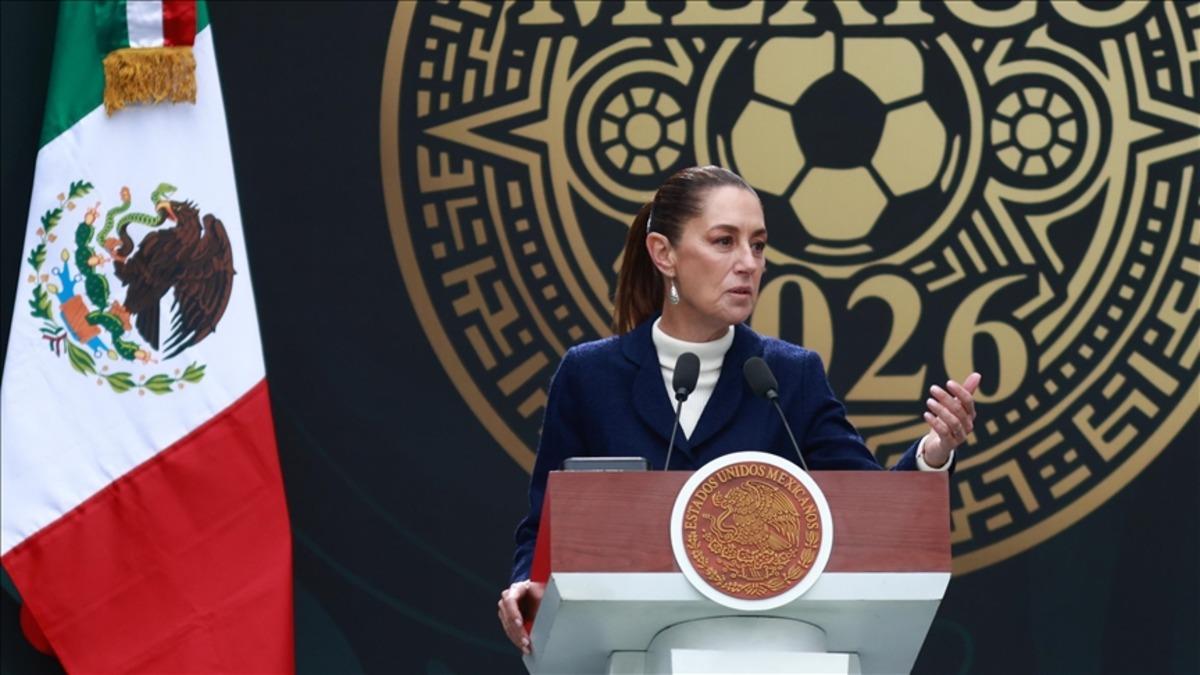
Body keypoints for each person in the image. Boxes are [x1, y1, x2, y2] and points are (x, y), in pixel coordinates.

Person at [496, 166, 980, 654]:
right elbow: (544, 526)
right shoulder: (590, 375)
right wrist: (525, 586)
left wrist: (933, 453)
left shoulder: (790, 376)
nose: (749, 263)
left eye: (759, 245)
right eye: (724, 242)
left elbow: (872, 514)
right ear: (664, 254)